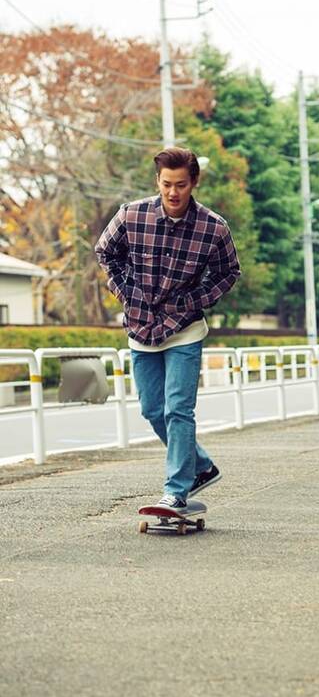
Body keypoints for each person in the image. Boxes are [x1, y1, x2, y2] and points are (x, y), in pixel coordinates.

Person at [96, 147, 241, 510]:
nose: (173, 193)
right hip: (141, 325)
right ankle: (202, 466)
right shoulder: (132, 215)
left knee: (178, 409)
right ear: (157, 182)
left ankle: (177, 488)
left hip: (184, 329)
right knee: (152, 409)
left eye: (180, 185)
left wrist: (194, 300)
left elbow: (228, 273)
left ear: (194, 182)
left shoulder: (213, 227)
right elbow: (105, 252)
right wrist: (124, 293)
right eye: (166, 185)